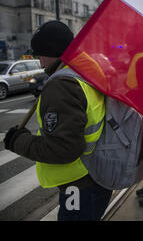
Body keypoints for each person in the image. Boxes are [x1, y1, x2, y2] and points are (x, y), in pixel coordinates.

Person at [3, 21, 112, 221]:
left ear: (48, 53)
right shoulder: (86, 70)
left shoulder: (62, 85)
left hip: (79, 184)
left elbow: (63, 148)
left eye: (38, 54)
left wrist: (18, 141)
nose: (39, 61)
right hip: (95, 174)